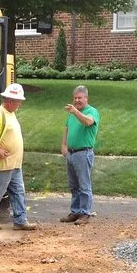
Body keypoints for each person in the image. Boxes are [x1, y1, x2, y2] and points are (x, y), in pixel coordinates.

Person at [0, 83, 38, 231]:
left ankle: (20, 220)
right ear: (10, 100)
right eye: (18, 101)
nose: (20, 104)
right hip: (3, 165)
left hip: (14, 164)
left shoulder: (10, 113)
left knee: (18, 191)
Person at [60, 85, 100, 223]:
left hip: (83, 153)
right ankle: (75, 211)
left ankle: (85, 213)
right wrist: (64, 145)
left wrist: (76, 112)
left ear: (86, 98)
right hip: (71, 153)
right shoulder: (72, 114)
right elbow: (66, 127)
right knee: (73, 186)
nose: (77, 100)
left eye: (80, 98)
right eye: (75, 98)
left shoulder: (92, 111)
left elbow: (88, 122)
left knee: (84, 185)